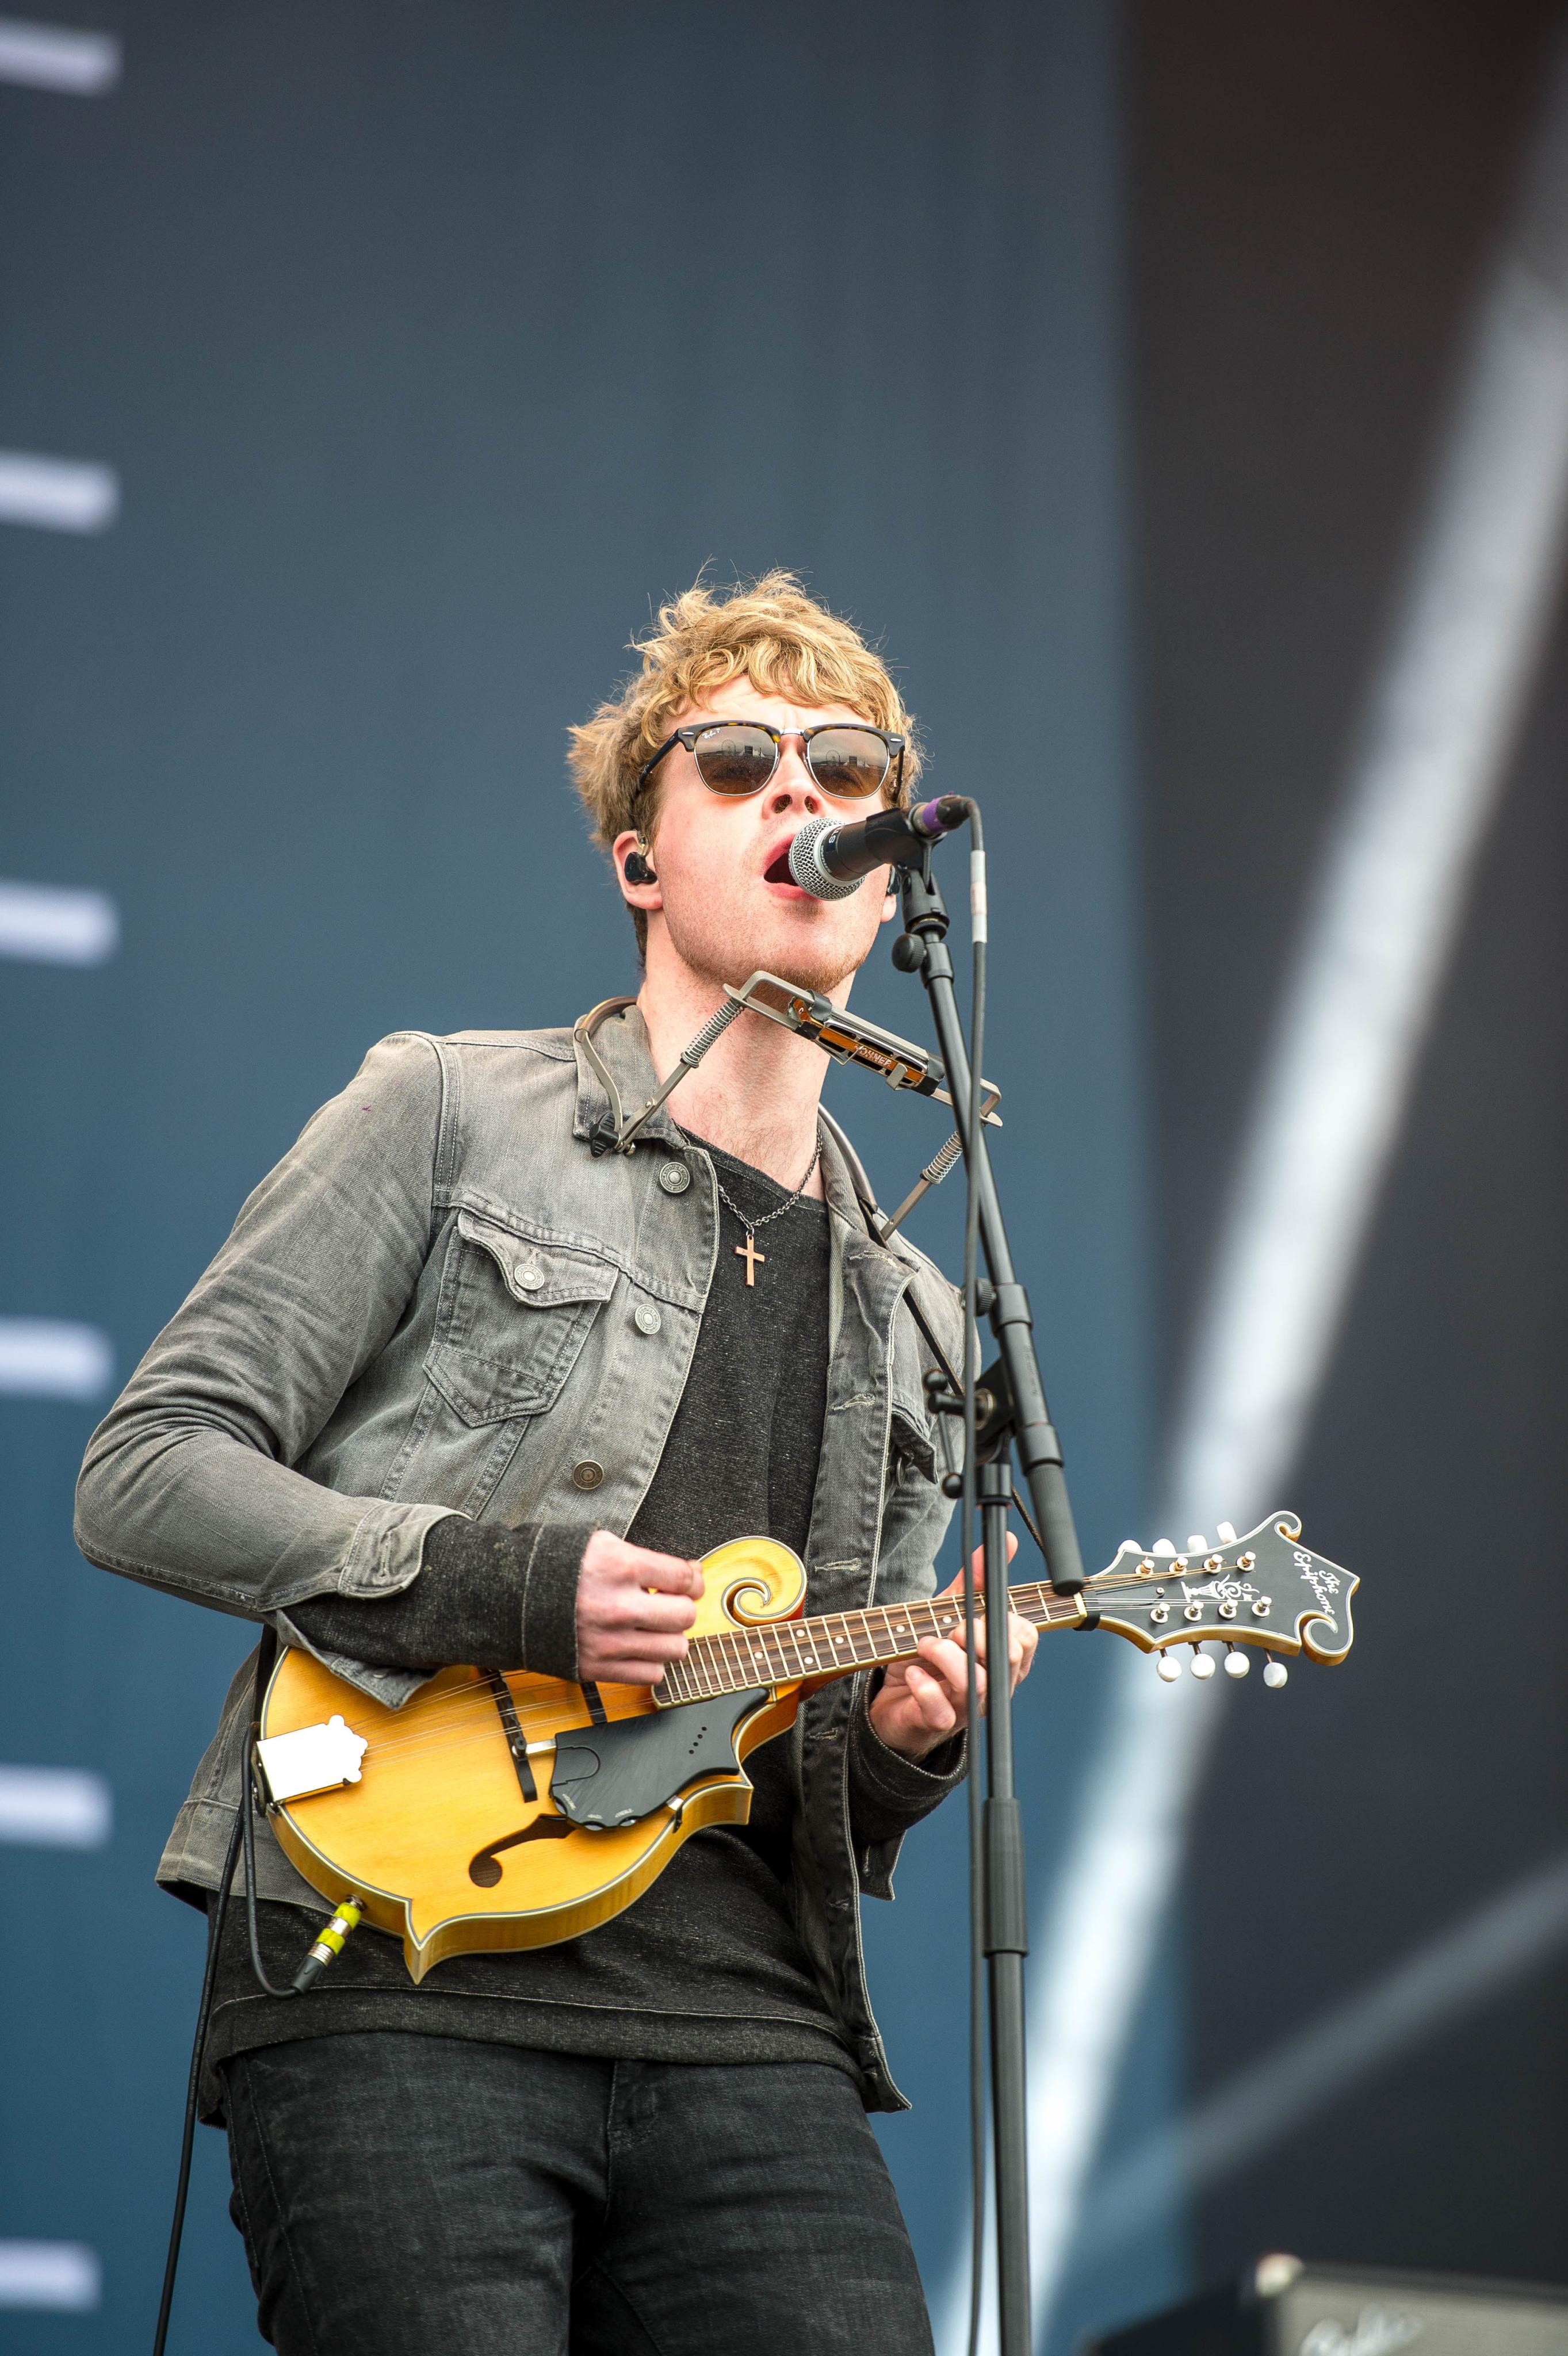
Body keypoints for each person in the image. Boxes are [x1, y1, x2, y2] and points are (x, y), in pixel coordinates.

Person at [76, 572, 1037, 2355]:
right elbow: (147, 1468)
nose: (802, 794)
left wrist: (913, 1743)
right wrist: (508, 1585)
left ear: (888, 865)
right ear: (637, 858)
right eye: (737, 760)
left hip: (751, 2022)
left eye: (847, 769)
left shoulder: (916, 1301)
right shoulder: (448, 1109)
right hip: (394, 1972)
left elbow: (806, 1759)